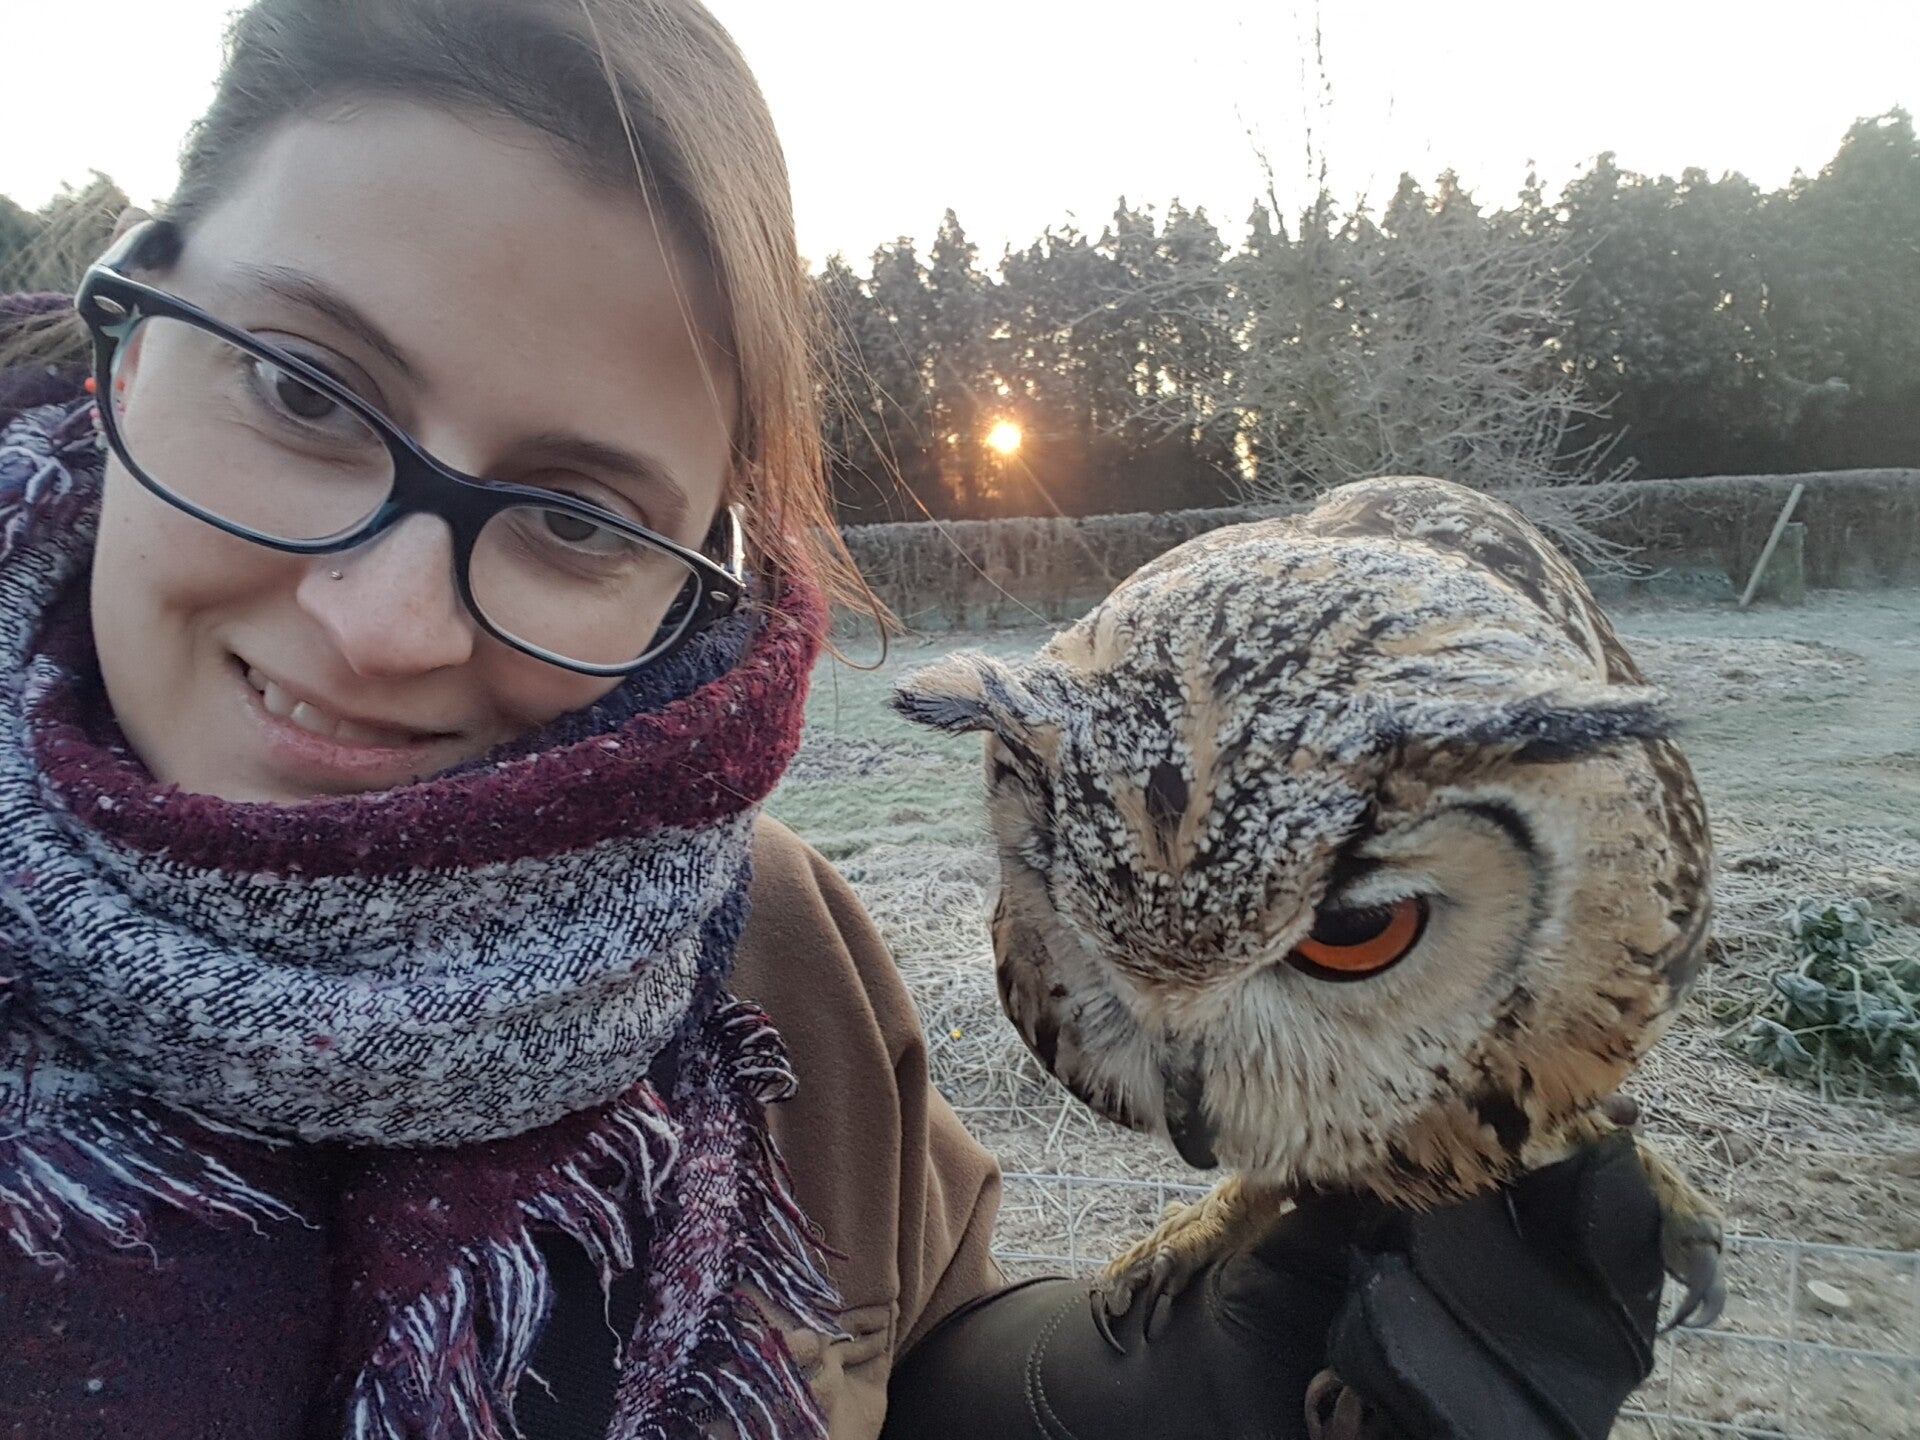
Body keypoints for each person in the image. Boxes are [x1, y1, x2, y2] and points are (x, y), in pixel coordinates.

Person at [0, 1, 1668, 1436]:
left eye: (576, 517)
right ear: (125, 331)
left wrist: (1140, 1387)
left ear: (699, 562)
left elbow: (907, 1355)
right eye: (301, 390)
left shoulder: (760, 946)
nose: (384, 625)